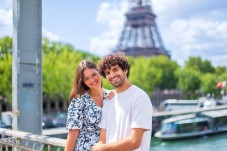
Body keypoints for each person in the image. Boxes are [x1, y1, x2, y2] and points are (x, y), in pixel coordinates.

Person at [92, 53, 153, 151]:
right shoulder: (108, 100)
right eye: (107, 73)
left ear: (125, 70)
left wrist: (102, 149)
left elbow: (135, 141)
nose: (112, 75)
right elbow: (102, 140)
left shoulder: (140, 97)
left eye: (115, 69)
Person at [65, 60, 111, 151]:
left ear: (99, 72)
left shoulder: (110, 96)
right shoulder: (79, 100)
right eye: (87, 78)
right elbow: (72, 134)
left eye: (94, 74)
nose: (92, 80)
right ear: (83, 82)